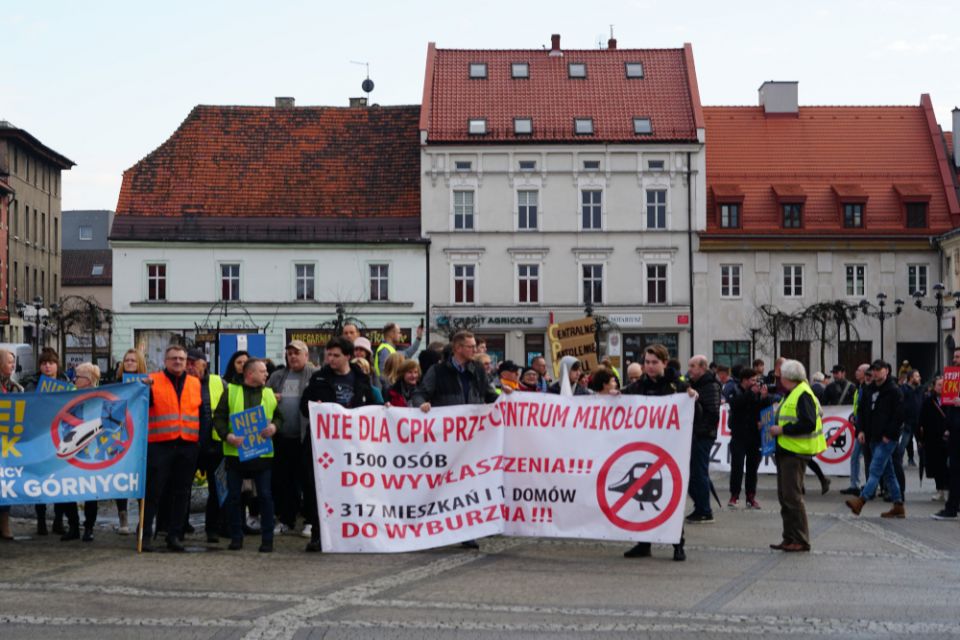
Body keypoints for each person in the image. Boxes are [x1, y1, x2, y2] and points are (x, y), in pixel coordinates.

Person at [412, 331, 502, 550]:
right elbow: (420, 393)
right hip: (447, 439)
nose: (476, 350)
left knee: (469, 483)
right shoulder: (438, 371)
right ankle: (434, 527)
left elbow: (488, 395)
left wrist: (508, 398)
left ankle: (467, 530)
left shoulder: (477, 370)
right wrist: (422, 404)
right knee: (443, 483)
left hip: (473, 439)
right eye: (471, 346)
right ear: (458, 348)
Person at [300, 336, 378, 551]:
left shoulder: (360, 379)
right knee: (319, 489)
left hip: (351, 446)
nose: (330, 359)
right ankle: (318, 534)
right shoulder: (319, 379)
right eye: (329, 355)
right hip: (322, 446)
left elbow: (372, 405)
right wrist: (314, 407)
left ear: (348, 357)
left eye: (336, 355)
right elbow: (303, 408)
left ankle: (351, 532)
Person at [621, 344, 696, 561]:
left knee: (673, 496)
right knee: (642, 497)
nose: (650, 366)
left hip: (672, 452)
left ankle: (677, 543)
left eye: (654, 362)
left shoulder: (678, 385)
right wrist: (615, 396)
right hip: (645, 451)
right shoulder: (639, 385)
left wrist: (692, 399)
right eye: (647, 362)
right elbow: (624, 403)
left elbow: (695, 414)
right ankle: (644, 543)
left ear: (664, 363)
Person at [213, 358, 280, 552]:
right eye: (262, 371)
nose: (267, 374)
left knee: (265, 497)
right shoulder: (231, 391)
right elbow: (219, 417)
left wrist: (274, 427)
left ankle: (267, 540)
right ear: (250, 374)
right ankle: (236, 537)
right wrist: (228, 436)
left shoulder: (268, 394)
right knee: (234, 497)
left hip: (262, 455)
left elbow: (279, 416)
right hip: (236, 454)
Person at [142, 344, 202, 552]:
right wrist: (142, 388)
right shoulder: (152, 381)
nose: (178, 362)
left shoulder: (195, 383)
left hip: (187, 445)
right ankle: (146, 535)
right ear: (165, 361)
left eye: (181, 359)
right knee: (153, 492)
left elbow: (202, 413)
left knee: (182, 493)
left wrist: (199, 443)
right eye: (174, 358)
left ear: (186, 362)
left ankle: (175, 535)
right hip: (160, 444)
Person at [768, 359, 826, 552]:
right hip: (787, 450)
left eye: (781, 375)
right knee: (785, 496)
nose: (779, 378)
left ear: (787, 377)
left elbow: (807, 423)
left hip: (795, 451)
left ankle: (800, 539)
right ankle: (789, 537)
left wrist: (782, 430)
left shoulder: (802, 394)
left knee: (792, 497)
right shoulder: (793, 392)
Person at [266, 340, 316, 538]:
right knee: (284, 481)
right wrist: (271, 396)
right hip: (282, 437)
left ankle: (311, 521)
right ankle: (286, 519)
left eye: (297, 353)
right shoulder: (278, 376)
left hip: (305, 437)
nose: (293, 357)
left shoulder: (314, 375)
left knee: (307, 481)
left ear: (306, 355)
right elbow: (264, 395)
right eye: (289, 353)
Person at [845, 360, 905, 518]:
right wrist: (861, 430)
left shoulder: (894, 391)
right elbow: (863, 412)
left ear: (886, 371)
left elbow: (898, 416)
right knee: (889, 472)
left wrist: (890, 434)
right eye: (874, 370)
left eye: (879, 369)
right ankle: (898, 505)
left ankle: (861, 501)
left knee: (875, 469)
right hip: (872, 436)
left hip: (886, 439)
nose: (876, 372)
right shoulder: (868, 389)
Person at [23, 348, 72, 536]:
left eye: (50, 363)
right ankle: (41, 519)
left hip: (60, 437)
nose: (47, 366)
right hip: (39, 437)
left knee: (59, 479)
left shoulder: (65, 383)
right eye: (44, 363)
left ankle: (59, 520)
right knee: (40, 479)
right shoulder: (32, 384)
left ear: (57, 365)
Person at [186, 348, 226, 542]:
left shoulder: (219, 382)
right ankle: (179, 526)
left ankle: (213, 528)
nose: (191, 367)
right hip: (189, 443)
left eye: (195, 363)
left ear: (205, 364)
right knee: (182, 487)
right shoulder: (182, 382)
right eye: (188, 363)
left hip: (214, 443)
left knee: (216, 490)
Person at [61, 363, 102, 542]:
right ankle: (73, 525)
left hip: (90, 450)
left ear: (89, 380)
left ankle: (89, 527)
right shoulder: (70, 395)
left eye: (78, 377)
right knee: (67, 487)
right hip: (71, 447)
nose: (74, 380)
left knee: (91, 491)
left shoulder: (99, 398)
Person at [728, 368, 772, 509]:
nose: (756, 383)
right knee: (737, 467)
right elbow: (735, 405)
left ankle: (750, 496)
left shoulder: (757, 393)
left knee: (752, 468)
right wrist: (750, 393)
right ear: (745, 380)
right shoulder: (735, 390)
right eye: (753, 380)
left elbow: (762, 411)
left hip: (754, 437)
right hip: (739, 435)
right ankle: (734, 495)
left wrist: (765, 398)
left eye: (756, 380)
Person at [686, 355, 721, 524]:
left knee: (698, 472)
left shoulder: (710, 385)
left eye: (693, 366)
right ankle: (700, 507)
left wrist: (696, 399)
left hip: (702, 435)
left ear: (702, 368)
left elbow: (712, 413)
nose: (689, 369)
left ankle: (704, 510)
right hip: (695, 433)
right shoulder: (696, 384)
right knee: (694, 472)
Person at [932, 348, 960, 521]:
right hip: (955, 430)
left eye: (958, 357)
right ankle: (952, 506)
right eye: (955, 356)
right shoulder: (952, 377)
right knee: (955, 470)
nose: (955, 359)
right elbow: (949, 405)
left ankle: (952, 507)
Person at [0, 348, 22, 540]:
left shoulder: (13, 386)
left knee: (6, 482)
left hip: (6, 442)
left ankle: (5, 522)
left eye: (13, 362)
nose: (13, 365)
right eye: (9, 362)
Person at [841, 364, 873, 496]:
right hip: (859, 426)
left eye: (859, 370)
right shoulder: (859, 387)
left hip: (864, 428)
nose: (856, 372)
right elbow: (857, 407)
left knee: (862, 457)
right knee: (857, 457)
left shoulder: (866, 388)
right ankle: (856, 484)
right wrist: (853, 416)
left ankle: (865, 485)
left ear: (865, 373)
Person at [918, 375, 949, 502]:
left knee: (949, 466)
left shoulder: (952, 400)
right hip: (933, 439)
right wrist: (921, 439)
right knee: (937, 465)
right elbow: (922, 420)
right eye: (939, 385)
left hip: (949, 438)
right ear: (934, 387)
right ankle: (940, 490)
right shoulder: (928, 401)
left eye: (943, 385)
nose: (941, 387)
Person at [900, 369, 923, 468]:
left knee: (921, 442)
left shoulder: (920, 389)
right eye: (917, 376)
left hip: (919, 421)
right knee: (904, 443)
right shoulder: (903, 389)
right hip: (908, 421)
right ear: (911, 378)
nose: (919, 378)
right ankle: (899, 461)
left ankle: (922, 462)